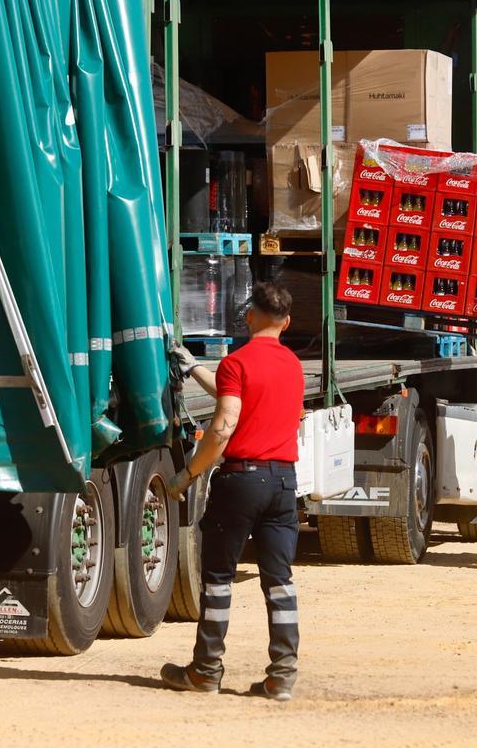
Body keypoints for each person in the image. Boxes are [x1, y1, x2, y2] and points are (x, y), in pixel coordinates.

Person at [160, 282, 304, 702]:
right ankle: (282, 676)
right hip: (283, 483)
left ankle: (206, 670)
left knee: (219, 579)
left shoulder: (238, 362)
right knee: (280, 582)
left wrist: (186, 475)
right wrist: (194, 369)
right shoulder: (293, 366)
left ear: (250, 316)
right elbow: (241, 399)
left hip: (241, 481)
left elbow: (224, 425)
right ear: (287, 322)